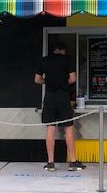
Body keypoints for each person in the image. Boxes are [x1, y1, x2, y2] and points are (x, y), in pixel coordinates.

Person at [34, 42, 86, 172]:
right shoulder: (67, 59)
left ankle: (50, 162)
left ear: (54, 50)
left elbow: (37, 79)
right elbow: (73, 78)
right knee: (68, 127)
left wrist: (48, 81)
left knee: (50, 128)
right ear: (63, 50)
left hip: (49, 97)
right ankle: (73, 161)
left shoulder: (44, 60)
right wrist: (63, 83)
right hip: (63, 96)